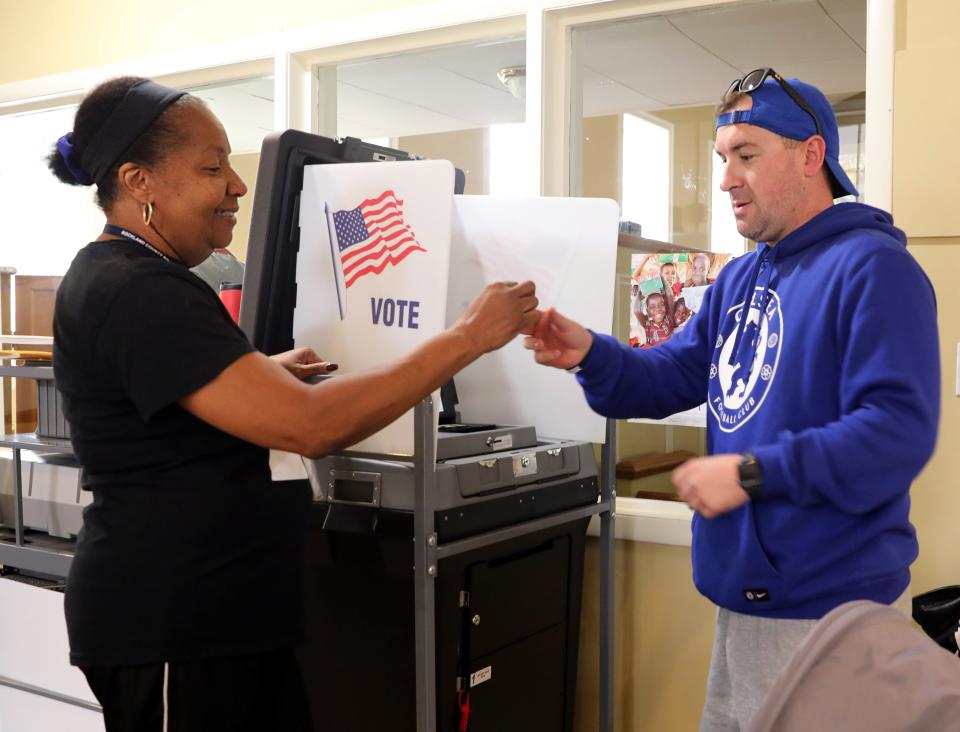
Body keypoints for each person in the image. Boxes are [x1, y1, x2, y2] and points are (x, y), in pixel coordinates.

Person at [49, 76, 538, 732]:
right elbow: (313, 426)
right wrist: (469, 336)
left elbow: (171, 409)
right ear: (139, 182)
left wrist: (254, 376)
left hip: (225, 622)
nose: (237, 186)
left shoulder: (148, 279)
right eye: (212, 168)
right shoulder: (137, 289)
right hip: (173, 628)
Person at [524, 68, 939, 731]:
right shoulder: (739, 279)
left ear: (812, 156)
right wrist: (592, 354)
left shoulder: (874, 268)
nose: (725, 179)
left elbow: (896, 432)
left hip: (830, 612)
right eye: (723, 158)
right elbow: (668, 376)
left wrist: (752, 472)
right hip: (744, 597)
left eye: (747, 154)